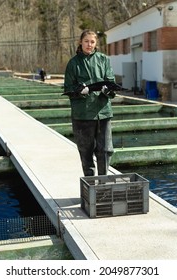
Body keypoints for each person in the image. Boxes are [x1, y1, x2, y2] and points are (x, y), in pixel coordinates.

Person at [64, 29, 116, 176]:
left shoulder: (104, 60)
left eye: (92, 42)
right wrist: (80, 92)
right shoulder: (73, 63)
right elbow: (68, 88)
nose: (89, 44)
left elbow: (111, 82)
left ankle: (103, 184)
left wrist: (108, 91)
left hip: (103, 112)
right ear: (81, 42)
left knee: (105, 150)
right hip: (83, 114)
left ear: (96, 44)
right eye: (86, 41)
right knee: (86, 151)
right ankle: (90, 183)